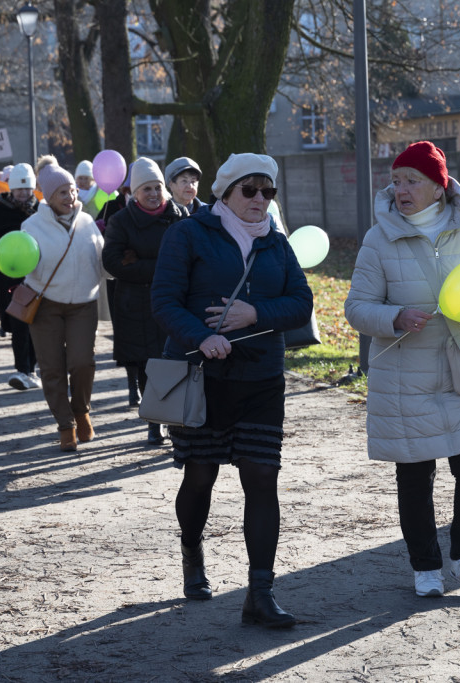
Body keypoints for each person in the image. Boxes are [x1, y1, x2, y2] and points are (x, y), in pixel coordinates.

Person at [343, 141, 460, 599]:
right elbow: (356, 308)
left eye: (412, 181)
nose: (401, 189)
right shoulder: (378, 238)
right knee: (415, 477)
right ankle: (425, 566)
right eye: (396, 180)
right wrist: (395, 317)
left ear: (438, 186)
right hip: (405, 378)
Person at [152, 152, 313, 628]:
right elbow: (164, 301)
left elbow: (301, 303)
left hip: (261, 378)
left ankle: (260, 593)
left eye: (268, 191)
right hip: (202, 376)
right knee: (200, 475)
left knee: (262, 477)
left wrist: (255, 314)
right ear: (225, 193)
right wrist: (202, 337)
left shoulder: (276, 243)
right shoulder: (188, 234)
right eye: (250, 189)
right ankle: (192, 551)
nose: (260, 199)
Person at [104, 157, 187, 443]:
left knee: (175, 363)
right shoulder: (121, 221)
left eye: (157, 187)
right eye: (146, 189)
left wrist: (140, 263)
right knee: (147, 366)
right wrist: (163, 267)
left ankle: (174, 421)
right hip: (136, 305)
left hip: (176, 301)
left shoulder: (180, 216)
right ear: (134, 192)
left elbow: (191, 256)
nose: (153, 194)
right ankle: (154, 421)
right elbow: (113, 262)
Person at [21, 164, 104, 452]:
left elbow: (102, 261)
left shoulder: (87, 221)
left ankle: (81, 411)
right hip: (46, 304)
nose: (70, 197)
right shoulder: (31, 226)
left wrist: (120, 261)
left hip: (83, 303)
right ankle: (66, 425)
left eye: (72, 190)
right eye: (62, 193)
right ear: (48, 196)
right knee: (52, 368)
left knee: (82, 362)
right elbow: (22, 264)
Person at [0, 163, 41, 390]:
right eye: (19, 189)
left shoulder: (40, 210)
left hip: (37, 276)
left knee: (36, 321)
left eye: (27, 188)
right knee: (19, 322)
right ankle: (23, 369)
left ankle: (32, 368)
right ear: (11, 189)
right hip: (10, 277)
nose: (23, 193)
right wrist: (3, 250)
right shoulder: (1, 210)